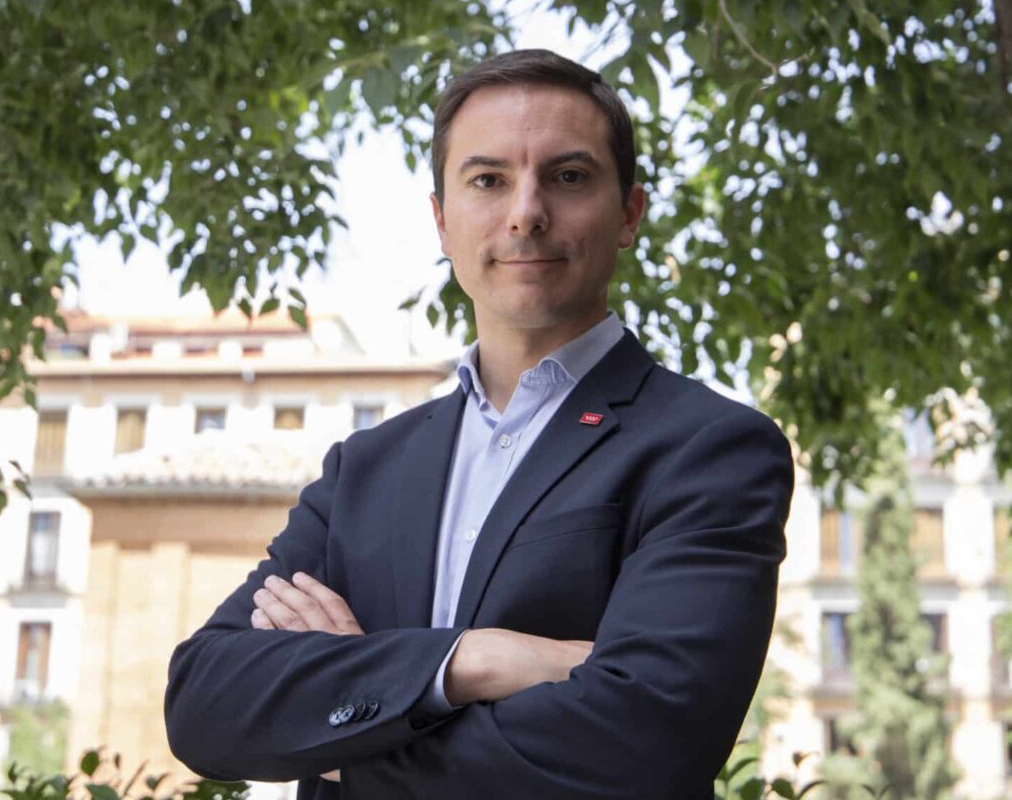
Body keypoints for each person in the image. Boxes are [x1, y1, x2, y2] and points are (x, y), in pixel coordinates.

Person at [164, 48, 794, 800]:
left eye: (567, 177)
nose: (526, 212)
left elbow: (648, 742)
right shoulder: (365, 469)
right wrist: (473, 661)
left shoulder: (710, 450)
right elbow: (204, 702)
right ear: (441, 220)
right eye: (488, 180)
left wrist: (344, 729)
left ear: (629, 213)